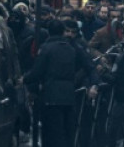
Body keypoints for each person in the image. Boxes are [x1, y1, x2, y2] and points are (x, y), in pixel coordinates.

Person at [23, 19, 99, 147]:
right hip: (69, 95)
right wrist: (94, 85)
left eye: (72, 32)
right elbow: (90, 66)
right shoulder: (73, 48)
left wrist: (25, 80)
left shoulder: (46, 48)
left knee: (52, 132)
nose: (69, 34)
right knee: (67, 131)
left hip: (50, 95)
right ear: (62, 31)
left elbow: (37, 72)